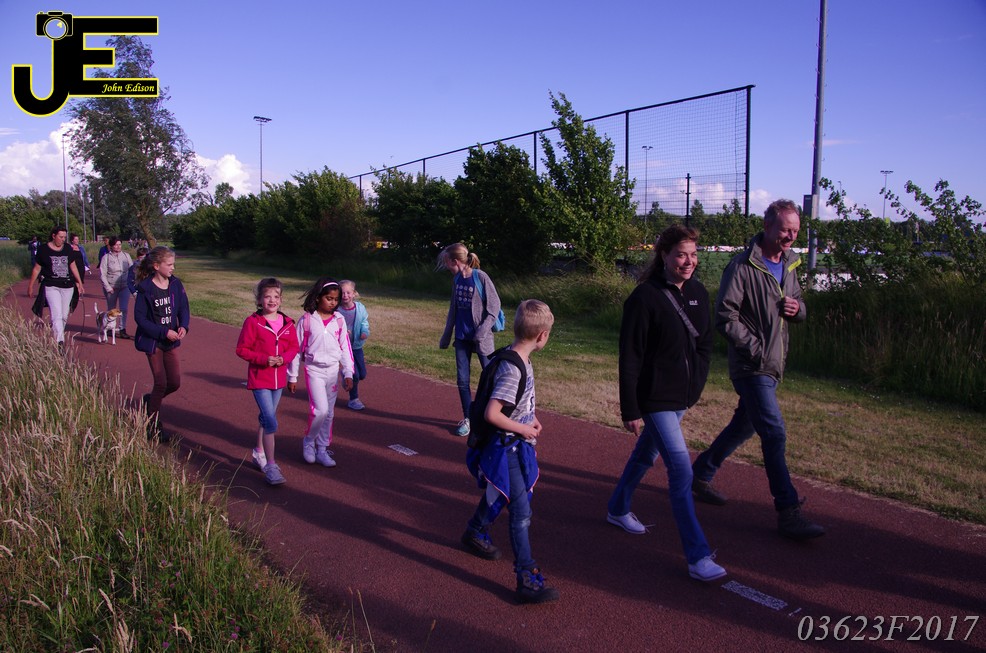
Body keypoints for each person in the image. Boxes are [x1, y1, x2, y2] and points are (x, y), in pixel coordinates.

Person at [691, 199, 825, 540]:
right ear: (767, 227)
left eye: (795, 231)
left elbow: (798, 304)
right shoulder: (741, 266)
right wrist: (756, 350)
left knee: (744, 425)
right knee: (774, 432)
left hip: (774, 363)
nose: (790, 236)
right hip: (751, 366)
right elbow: (725, 317)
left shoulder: (790, 264)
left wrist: (798, 309)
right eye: (785, 230)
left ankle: (700, 474)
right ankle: (788, 510)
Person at [605, 225, 726, 582]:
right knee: (681, 471)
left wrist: (697, 382)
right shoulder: (644, 298)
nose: (688, 261)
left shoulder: (698, 293)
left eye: (693, 254)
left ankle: (617, 507)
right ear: (664, 255)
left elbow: (705, 343)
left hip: (682, 396)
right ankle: (697, 556)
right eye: (681, 255)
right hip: (654, 397)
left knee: (646, 454)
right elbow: (630, 357)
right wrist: (630, 408)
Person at [461, 299, 559, 604]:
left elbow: (519, 401)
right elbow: (492, 413)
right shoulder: (513, 368)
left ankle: (475, 531)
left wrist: (531, 417)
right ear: (542, 335)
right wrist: (523, 429)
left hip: (515, 442)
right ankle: (526, 576)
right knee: (521, 511)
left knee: (502, 493)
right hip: (507, 447)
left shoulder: (519, 358)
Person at [235, 278, 300, 486]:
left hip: (278, 381)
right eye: (267, 296)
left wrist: (284, 359)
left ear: (281, 300)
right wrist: (265, 359)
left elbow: (294, 347)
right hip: (260, 379)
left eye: (276, 296)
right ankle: (271, 466)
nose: (272, 300)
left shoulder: (288, 323)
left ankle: (258, 452)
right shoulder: (253, 322)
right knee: (271, 421)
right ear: (259, 300)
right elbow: (242, 349)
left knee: (266, 417)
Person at [287, 278, 354, 468]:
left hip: (332, 372)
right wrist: (292, 376)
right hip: (314, 371)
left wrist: (348, 372)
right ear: (318, 298)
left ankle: (322, 449)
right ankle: (309, 441)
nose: (333, 302)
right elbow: (296, 350)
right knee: (320, 410)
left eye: (336, 299)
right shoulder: (307, 320)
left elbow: (345, 348)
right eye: (329, 298)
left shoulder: (339, 320)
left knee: (329, 413)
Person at [437, 243, 501, 437]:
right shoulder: (457, 279)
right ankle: (469, 418)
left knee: (491, 378)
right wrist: (446, 335)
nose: (446, 266)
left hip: (482, 339)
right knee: (462, 380)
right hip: (462, 338)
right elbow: (453, 309)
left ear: (455, 261)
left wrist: (481, 332)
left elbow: (494, 308)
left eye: (447, 262)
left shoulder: (480, 277)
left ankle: (495, 417)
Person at [133, 246, 189, 442]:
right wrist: (163, 332)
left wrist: (184, 326)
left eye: (173, 264)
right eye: (169, 264)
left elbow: (183, 307)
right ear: (156, 266)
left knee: (174, 383)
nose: (173, 268)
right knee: (161, 382)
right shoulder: (146, 288)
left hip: (170, 341)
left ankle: (150, 402)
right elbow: (140, 318)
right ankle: (152, 424)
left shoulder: (176, 284)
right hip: (153, 341)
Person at [27, 226, 84, 352]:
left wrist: (79, 282)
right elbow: (37, 268)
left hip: (67, 286)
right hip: (51, 285)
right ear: (53, 236)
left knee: (64, 315)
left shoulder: (68, 248)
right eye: (60, 237)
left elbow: (73, 266)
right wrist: (31, 285)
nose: (63, 239)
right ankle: (60, 341)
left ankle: (58, 335)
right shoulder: (43, 250)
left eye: (64, 237)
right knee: (56, 314)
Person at [338, 279, 371, 411]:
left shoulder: (360, 308)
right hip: (344, 348)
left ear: (354, 293)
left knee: (362, 374)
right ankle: (353, 399)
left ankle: (345, 374)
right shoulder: (337, 310)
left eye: (348, 292)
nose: (345, 295)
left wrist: (364, 331)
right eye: (342, 293)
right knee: (355, 375)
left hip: (357, 346)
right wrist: (343, 332)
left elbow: (364, 322)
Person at [100, 237, 133, 339]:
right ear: (111, 246)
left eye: (119, 244)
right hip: (112, 287)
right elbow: (102, 274)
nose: (118, 247)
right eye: (116, 245)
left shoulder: (126, 256)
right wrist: (108, 287)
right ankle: (109, 328)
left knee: (124, 309)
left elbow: (132, 270)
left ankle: (122, 329)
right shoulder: (106, 258)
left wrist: (132, 282)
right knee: (111, 309)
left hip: (124, 286)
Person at [127, 246, 149, 333]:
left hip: (150, 293)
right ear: (137, 257)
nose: (142, 260)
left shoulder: (151, 267)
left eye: (144, 257)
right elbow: (129, 282)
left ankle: (150, 331)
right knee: (141, 314)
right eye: (141, 257)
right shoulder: (133, 268)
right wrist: (134, 293)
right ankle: (142, 331)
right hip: (139, 293)